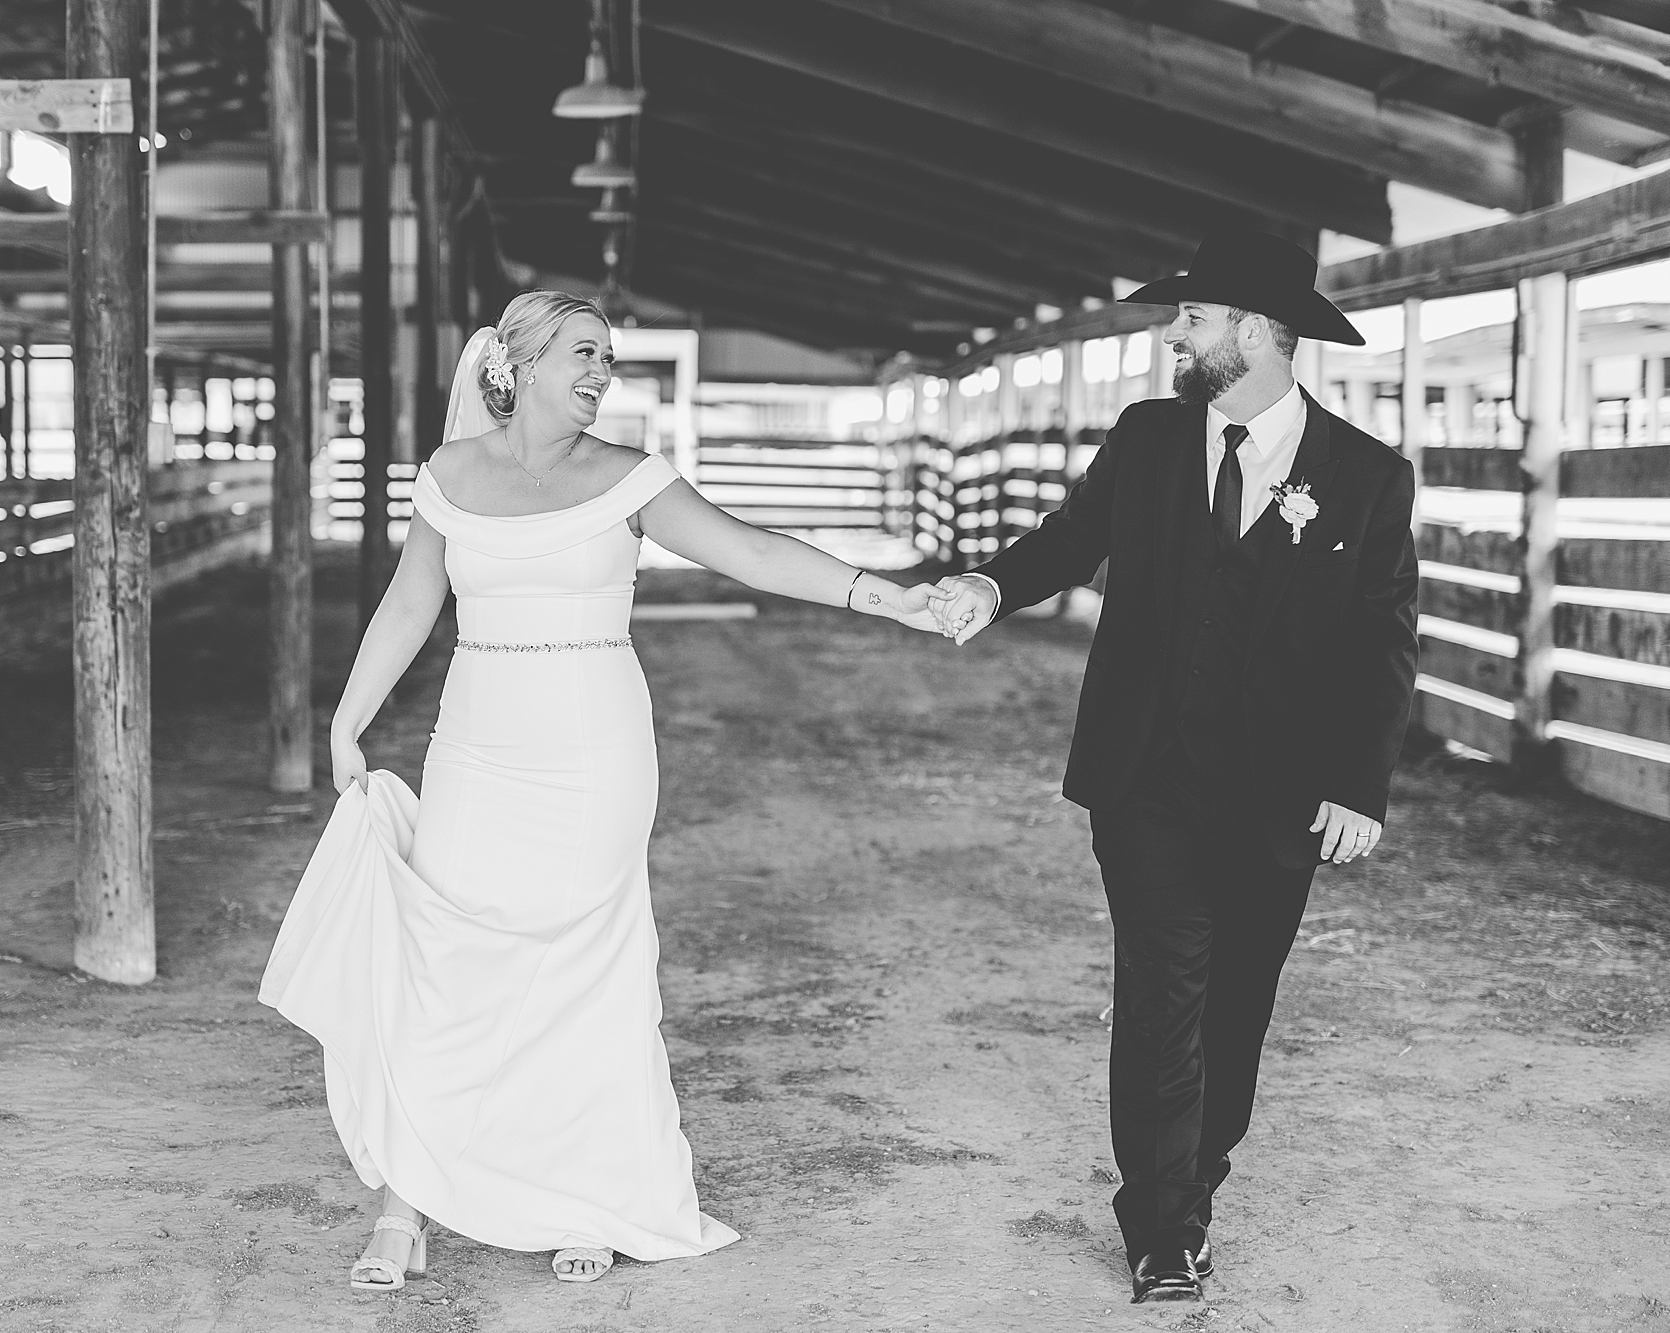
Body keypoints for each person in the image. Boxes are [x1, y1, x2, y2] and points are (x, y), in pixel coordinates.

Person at [260, 291, 945, 1290]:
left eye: (608, 359)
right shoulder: (450, 474)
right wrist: (344, 720)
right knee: (443, 959)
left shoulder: (631, 478)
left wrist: (891, 597)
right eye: (583, 353)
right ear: (521, 363)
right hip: (476, 745)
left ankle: (587, 1194)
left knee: (585, 965)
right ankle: (405, 1206)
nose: (600, 373)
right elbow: (412, 600)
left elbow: (752, 551)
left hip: (594, 751)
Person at [930, 232, 1420, 1303]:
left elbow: (1381, 643)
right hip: (1144, 776)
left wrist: (1359, 782)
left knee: (1237, 1004)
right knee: (1163, 988)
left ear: (1256, 330)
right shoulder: (1148, 437)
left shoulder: (1367, 475)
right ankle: (1163, 1224)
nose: (1171, 335)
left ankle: (1195, 1173)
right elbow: (1067, 540)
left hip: (1281, 793)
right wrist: (989, 586)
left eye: (1190, 317)